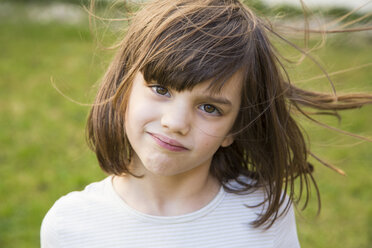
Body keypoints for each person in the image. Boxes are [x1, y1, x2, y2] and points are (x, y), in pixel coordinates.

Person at [40, 0, 372, 247]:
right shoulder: (69, 225)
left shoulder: (262, 213)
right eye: (161, 89)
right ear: (124, 88)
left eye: (210, 108)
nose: (175, 123)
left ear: (234, 128)